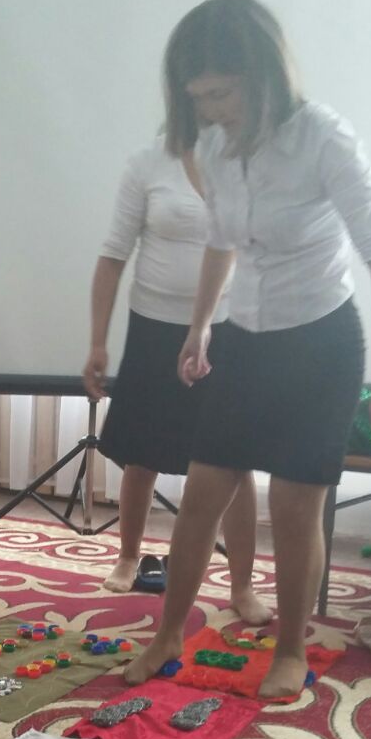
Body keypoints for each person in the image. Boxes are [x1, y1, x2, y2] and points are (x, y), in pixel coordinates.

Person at [125, 0, 371, 698]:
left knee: (297, 507)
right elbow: (221, 241)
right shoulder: (213, 144)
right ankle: (167, 635)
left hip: (320, 343)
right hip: (246, 338)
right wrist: (200, 325)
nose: (211, 111)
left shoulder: (323, 137)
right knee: (202, 492)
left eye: (223, 93)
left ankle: (291, 649)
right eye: (199, 98)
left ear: (264, 74)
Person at [83, 127, 270, 627]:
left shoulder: (244, 160)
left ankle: (242, 584)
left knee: (235, 462)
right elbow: (113, 255)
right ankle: (128, 555)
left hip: (229, 327)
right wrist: (98, 341)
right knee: (142, 453)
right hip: (153, 326)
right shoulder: (148, 162)